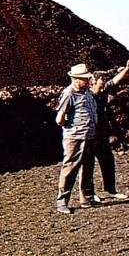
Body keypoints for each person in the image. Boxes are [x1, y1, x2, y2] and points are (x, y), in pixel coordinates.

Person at [81, 56, 129, 202]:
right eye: (100, 86)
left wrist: (127, 68)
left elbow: (115, 80)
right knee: (88, 165)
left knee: (107, 160)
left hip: (102, 133)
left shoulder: (103, 91)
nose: (102, 89)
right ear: (91, 83)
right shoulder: (86, 96)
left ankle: (111, 189)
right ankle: (90, 193)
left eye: (103, 86)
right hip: (89, 134)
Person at [54, 62, 98, 214]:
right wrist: (70, 126)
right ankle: (62, 201)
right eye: (84, 79)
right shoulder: (69, 93)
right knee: (71, 167)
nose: (87, 81)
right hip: (75, 137)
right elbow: (59, 119)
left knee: (88, 167)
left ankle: (86, 198)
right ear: (76, 79)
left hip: (89, 135)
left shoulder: (86, 92)